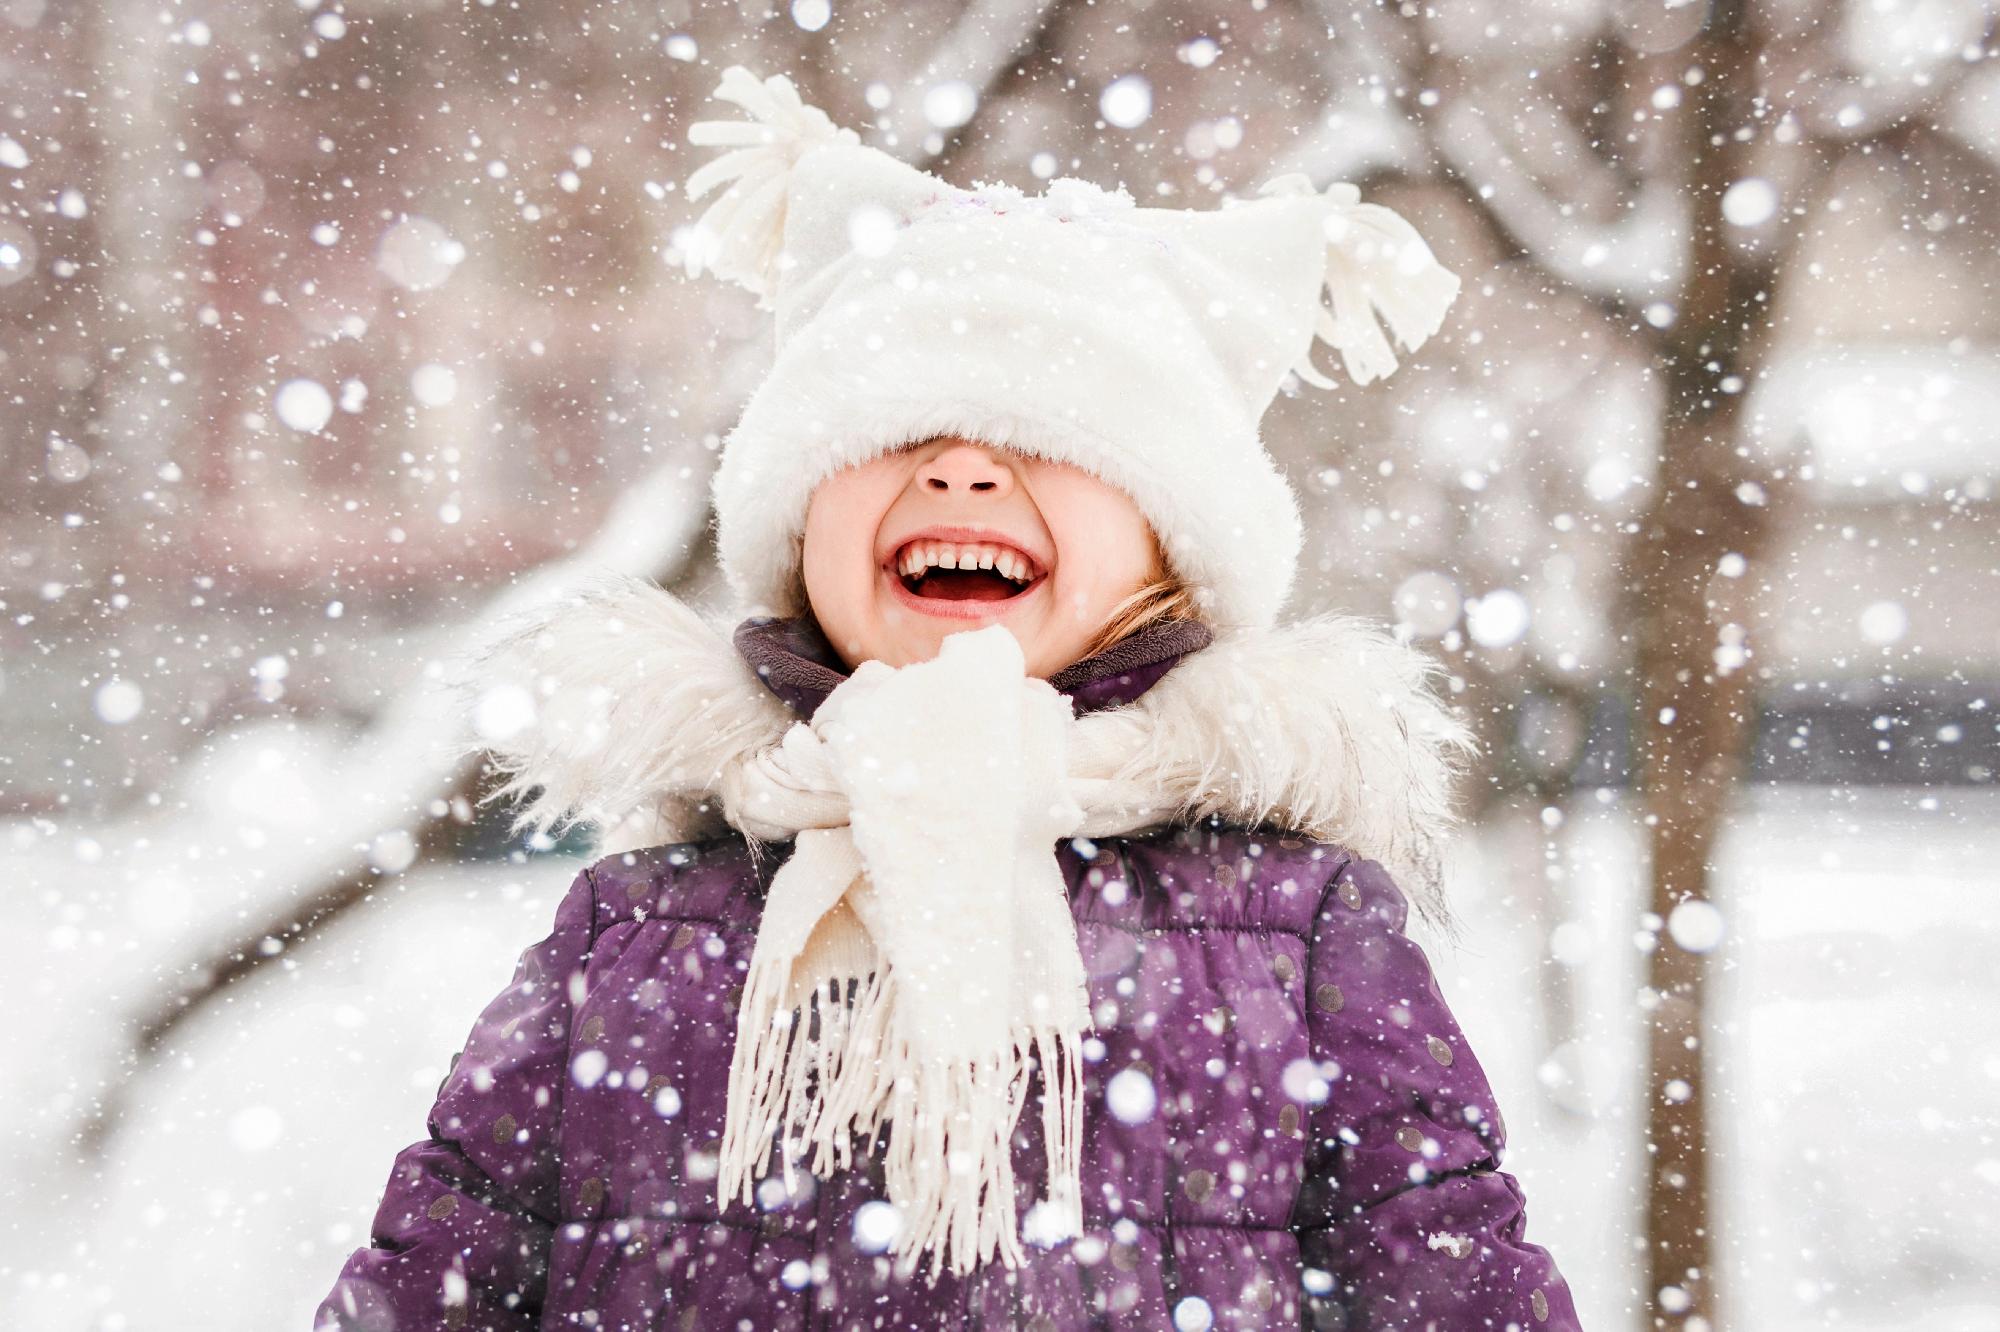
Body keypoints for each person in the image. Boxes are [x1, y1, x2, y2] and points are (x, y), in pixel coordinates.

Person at [314, 64, 1583, 1331]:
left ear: (1167, 550)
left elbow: (1449, 1278)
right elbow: (434, 1277)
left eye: (1048, 441)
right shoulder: (635, 933)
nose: (965, 474)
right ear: (797, 525)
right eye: (899, 435)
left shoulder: (1295, 934)